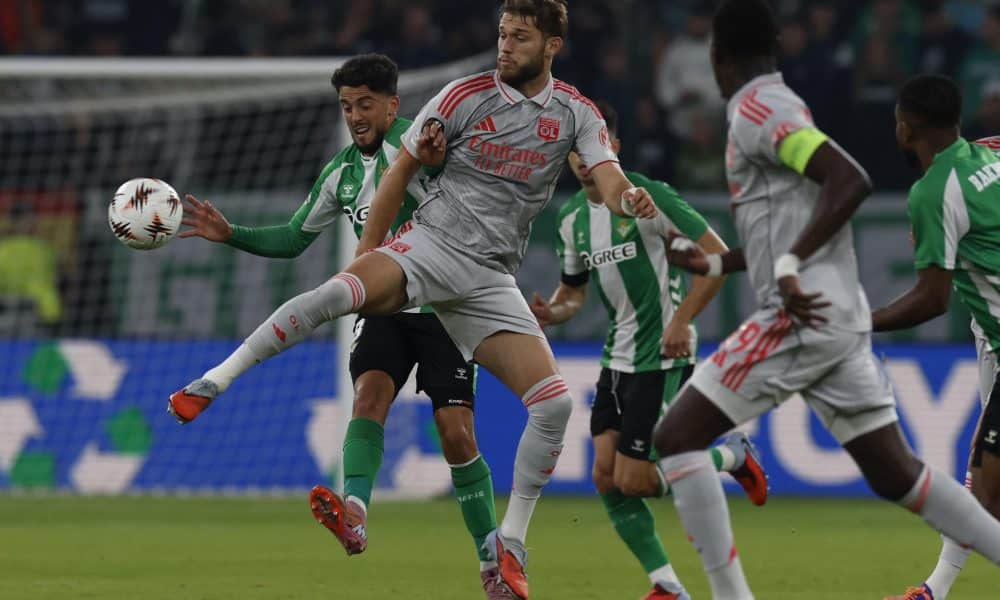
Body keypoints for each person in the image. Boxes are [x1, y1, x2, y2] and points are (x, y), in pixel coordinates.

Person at [169, 2, 659, 598]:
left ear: (552, 45)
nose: (505, 46)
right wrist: (368, 253)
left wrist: (628, 198)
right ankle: (214, 382)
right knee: (339, 299)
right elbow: (397, 173)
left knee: (552, 407)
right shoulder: (462, 97)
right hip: (431, 247)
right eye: (502, 34)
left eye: (519, 37)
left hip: (488, 277)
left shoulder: (575, 112)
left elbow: (608, 175)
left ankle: (511, 544)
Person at [654, 2, 1000, 599]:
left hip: (797, 317)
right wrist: (716, 263)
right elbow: (788, 221)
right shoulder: (782, 104)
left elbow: (849, 179)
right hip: (837, 321)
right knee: (897, 474)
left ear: (716, 57)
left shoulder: (758, 110)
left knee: (675, 438)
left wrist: (790, 265)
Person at [172, 53, 506, 598]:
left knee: (456, 434)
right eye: (347, 106)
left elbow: (472, 181)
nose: (354, 117)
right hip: (383, 308)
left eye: (365, 105)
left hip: (444, 307)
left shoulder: (422, 146)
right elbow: (293, 238)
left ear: (392, 106)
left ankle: (492, 560)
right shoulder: (341, 173)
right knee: (368, 398)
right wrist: (232, 233)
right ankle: (354, 513)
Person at [529, 100, 768, 600]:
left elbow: (718, 257)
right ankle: (667, 584)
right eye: (575, 151)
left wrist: (681, 320)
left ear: (613, 148)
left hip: (661, 353)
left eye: (593, 148)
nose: (583, 160)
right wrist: (553, 311)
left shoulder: (649, 197)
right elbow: (573, 291)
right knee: (605, 476)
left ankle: (731, 455)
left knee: (635, 480)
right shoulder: (571, 218)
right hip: (616, 357)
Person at [874, 75, 1000, 600]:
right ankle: (934, 591)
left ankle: (933, 593)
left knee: (986, 488)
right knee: (985, 483)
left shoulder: (932, 192)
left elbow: (931, 300)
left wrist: (857, 323)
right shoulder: (989, 152)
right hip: (992, 338)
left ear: (908, 128)